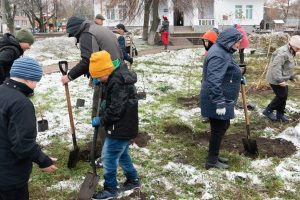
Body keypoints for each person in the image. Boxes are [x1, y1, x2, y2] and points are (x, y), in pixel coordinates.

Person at [63, 16, 123, 160]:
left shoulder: (86, 34)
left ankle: (106, 153)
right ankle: (110, 144)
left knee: (99, 113)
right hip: (115, 72)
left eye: (73, 34)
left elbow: (87, 60)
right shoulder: (97, 28)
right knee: (107, 110)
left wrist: (69, 76)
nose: (75, 37)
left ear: (76, 29)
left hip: (106, 76)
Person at [0, 57, 57, 200]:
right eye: (36, 81)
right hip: (9, 178)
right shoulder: (21, 103)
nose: (35, 86)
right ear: (28, 79)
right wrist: (43, 161)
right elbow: (22, 145)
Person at [88, 51, 140, 199]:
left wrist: (102, 119)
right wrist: (103, 85)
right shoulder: (114, 75)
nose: (98, 79)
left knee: (108, 156)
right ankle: (133, 179)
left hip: (120, 125)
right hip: (124, 124)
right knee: (122, 154)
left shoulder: (117, 81)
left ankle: (111, 188)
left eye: (99, 76)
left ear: (106, 71)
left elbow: (116, 109)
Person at [200, 27, 242, 170]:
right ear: (230, 40)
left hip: (222, 96)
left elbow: (226, 70)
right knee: (219, 128)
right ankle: (211, 161)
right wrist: (219, 102)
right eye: (237, 42)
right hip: (216, 98)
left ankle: (214, 156)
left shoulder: (224, 50)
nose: (239, 45)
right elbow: (213, 80)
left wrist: (238, 77)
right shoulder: (219, 54)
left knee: (222, 126)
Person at [263, 35, 300, 122]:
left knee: (284, 95)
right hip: (275, 78)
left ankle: (280, 114)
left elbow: (286, 66)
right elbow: (276, 67)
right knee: (281, 96)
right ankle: (268, 110)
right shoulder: (282, 52)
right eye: (298, 48)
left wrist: (290, 76)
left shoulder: (290, 51)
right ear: (291, 45)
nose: (299, 50)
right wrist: (280, 80)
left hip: (282, 77)